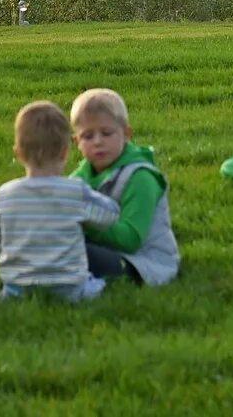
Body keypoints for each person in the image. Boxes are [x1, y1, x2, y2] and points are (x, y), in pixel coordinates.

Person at [0, 101, 121, 302]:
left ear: (19, 153)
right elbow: (110, 216)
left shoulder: (4, 194)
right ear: (65, 151)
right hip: (68, 287)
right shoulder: (74, 191)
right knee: (100, 283)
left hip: (18, 285)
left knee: (9, 295)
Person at [69, 88, 180, 286]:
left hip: (141, 262)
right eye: (88, 136)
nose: (98, 142)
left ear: (126, 134)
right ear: (76, 141)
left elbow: (131, 240)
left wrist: (85, 223)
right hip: (103, 248)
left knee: (77, 252)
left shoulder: (141, 177)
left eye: (106, 133)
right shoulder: (79, 178)